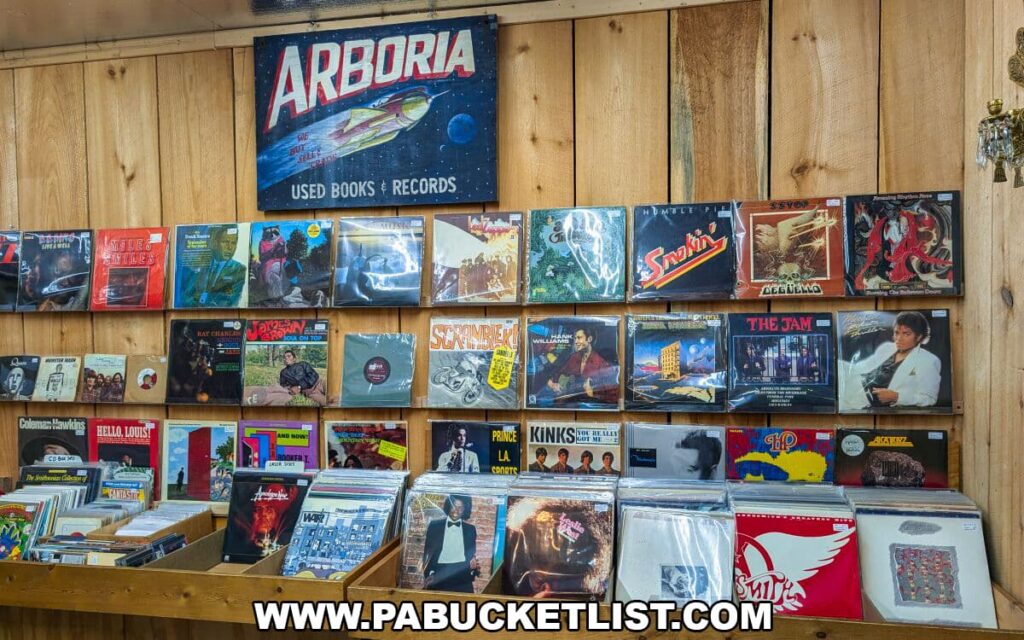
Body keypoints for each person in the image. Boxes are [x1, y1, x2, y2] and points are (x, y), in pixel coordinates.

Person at [846, 311, 942, 409]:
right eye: (896, 333)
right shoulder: (887, 348)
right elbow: (860, 367)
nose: (899, 338)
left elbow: (929, 399)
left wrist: (897, 397)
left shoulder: (929, 360)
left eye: (906, 334)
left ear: (919, 336)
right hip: (856, 389)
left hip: (871, 404)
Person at [422, 495, 480, 593]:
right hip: (439, 574)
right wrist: (430, 574)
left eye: (460, 508)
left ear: (465, 510)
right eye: (453, 506)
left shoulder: (470, 530)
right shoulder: (434, 526)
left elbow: (471, 556)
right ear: (448, 505)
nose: (456, 511)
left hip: (462, 576)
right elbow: (428, 552)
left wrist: (473, 567)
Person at [544, 327, 615, 404]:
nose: (576, 341)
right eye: (575, 338)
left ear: (589, 339)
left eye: (579, 338)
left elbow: (612, 396)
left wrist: (593, 394)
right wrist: (552, 384)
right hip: (568, 404)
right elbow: (557, 374)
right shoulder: (574, 357)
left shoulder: (601, 363)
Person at [182, 225, 247, 307]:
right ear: (216, 243)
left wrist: (201, 297)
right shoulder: (201, 264)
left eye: (233, 243)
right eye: (225, 242)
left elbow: (227, 302)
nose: (230, 247)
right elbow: (186, 297)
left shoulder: (239, 269)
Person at [245, 349, 327, 406]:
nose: (286, 358)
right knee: (327, 403)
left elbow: (313, 375)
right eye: (285, 357)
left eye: (289, 356)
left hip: (319, 383)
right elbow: (284, 385)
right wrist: (291, 389)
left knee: (335, 394)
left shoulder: (303, 364)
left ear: (294, 358)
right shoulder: (283, 372)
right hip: (309, 392)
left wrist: (299, 386)